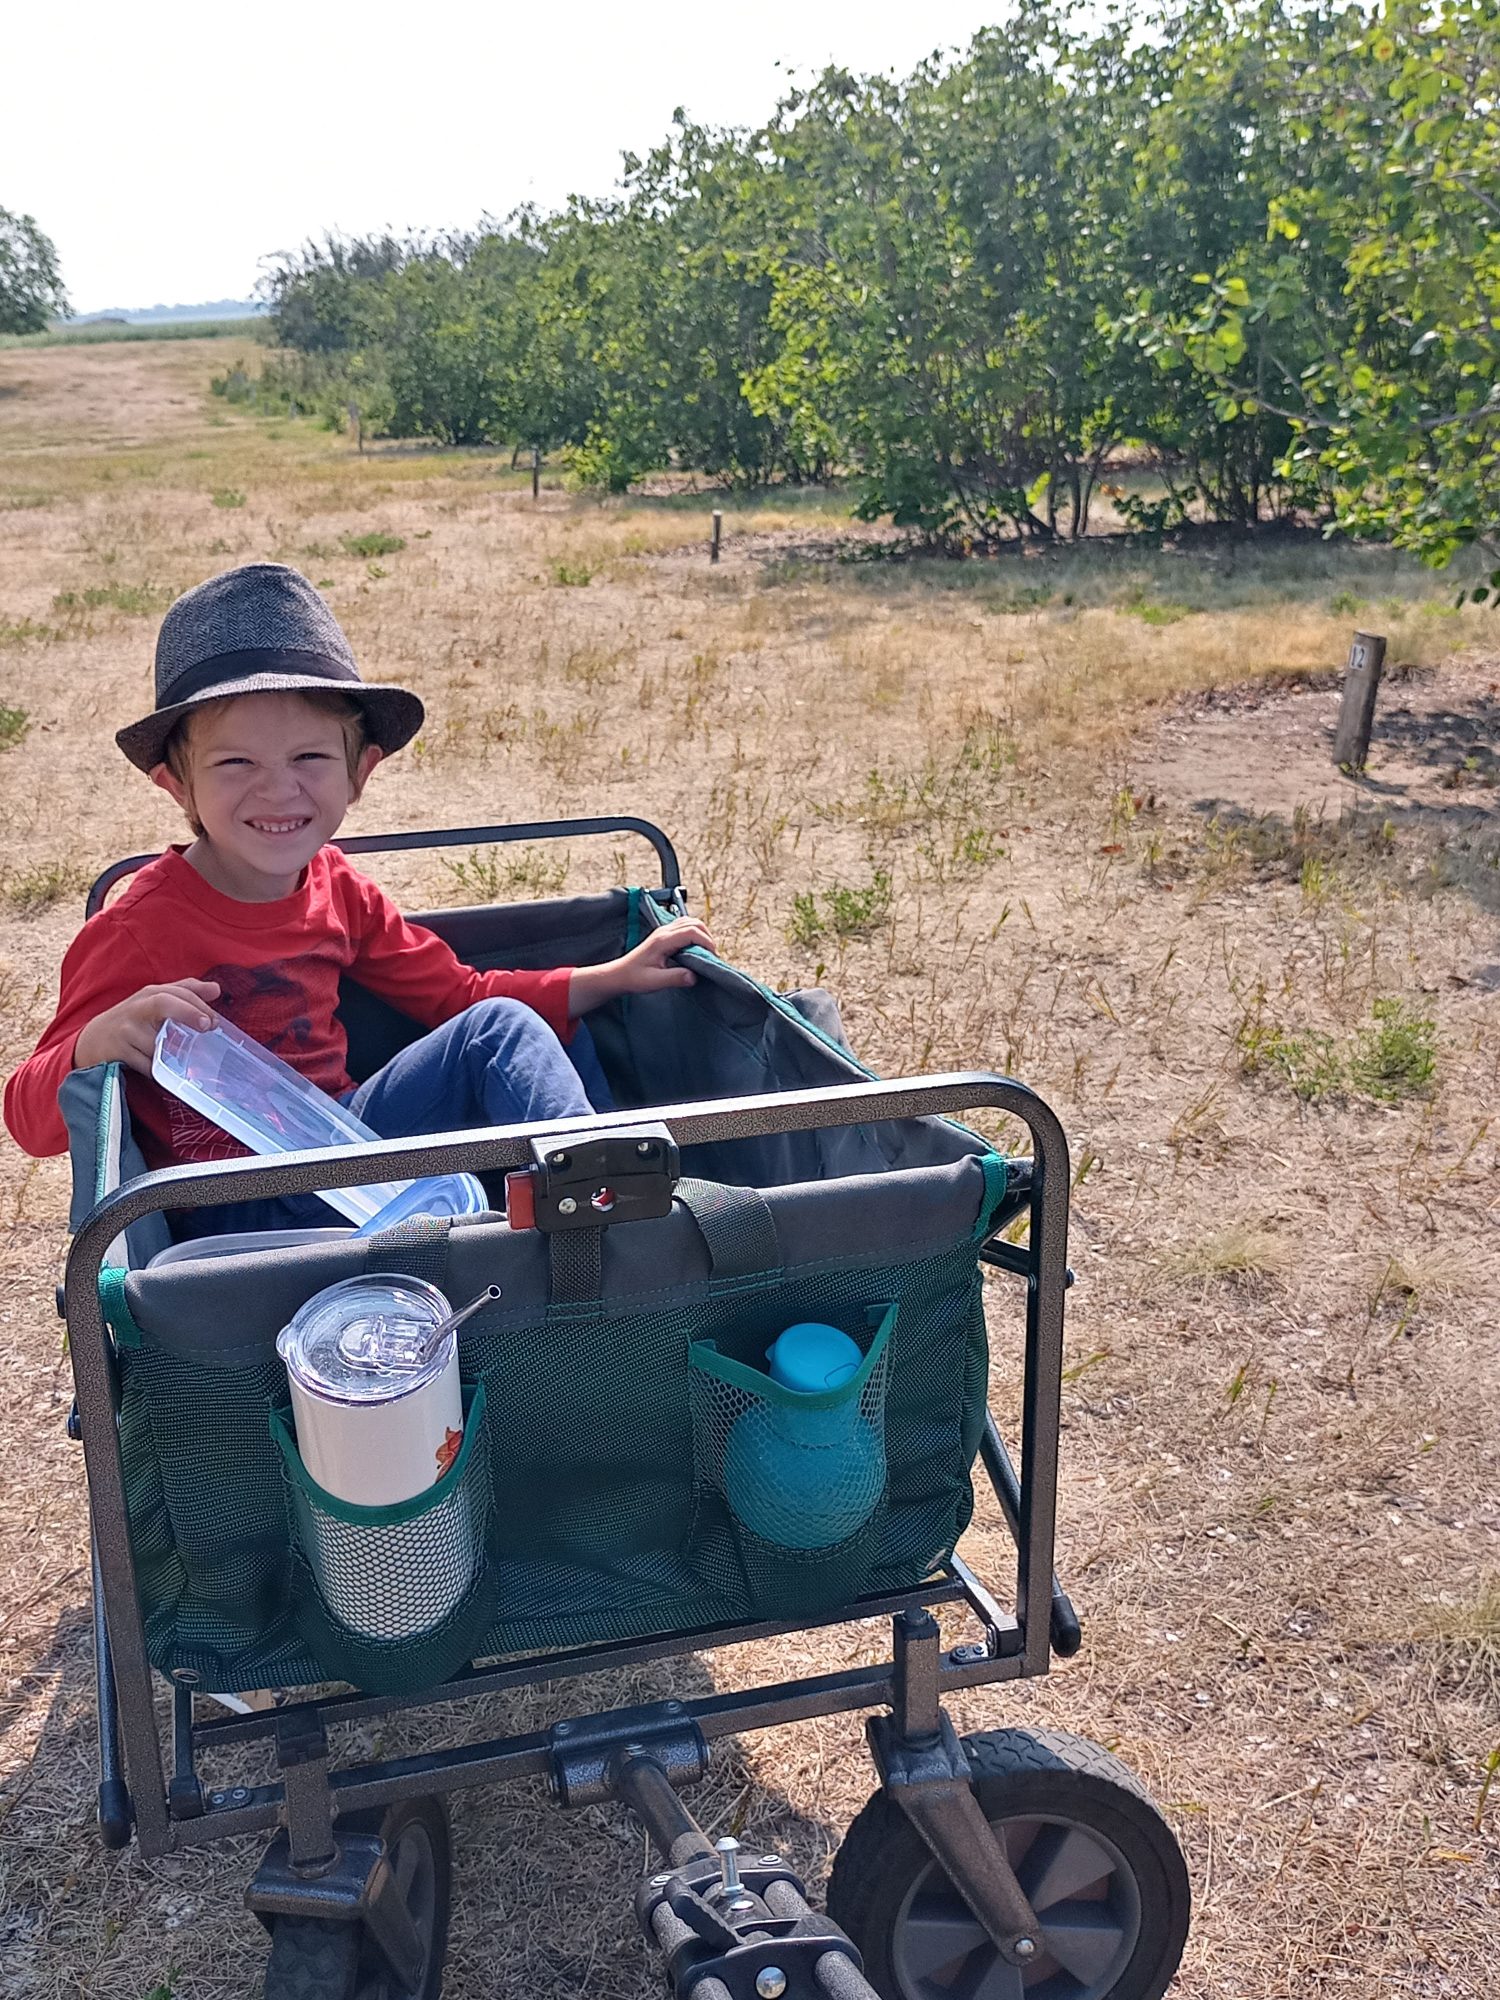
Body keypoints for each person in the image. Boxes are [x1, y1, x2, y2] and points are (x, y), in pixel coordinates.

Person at [3, 563, 711, 1234]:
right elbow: (27, 1117)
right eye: (235, 763)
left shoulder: (338, 888)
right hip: (228, 1209)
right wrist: (94, 1046)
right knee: (511, 1031)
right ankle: (615, 1219)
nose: (278, 790)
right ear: (177, 786)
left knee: (522, 1031)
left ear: (359, 773)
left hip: (349, 1154)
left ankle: (609, 1201)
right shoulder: (138, 928)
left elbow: (459, 997)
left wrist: (611, 978)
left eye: (309, 758)